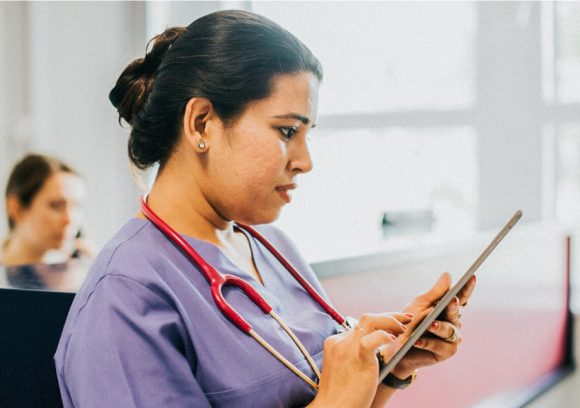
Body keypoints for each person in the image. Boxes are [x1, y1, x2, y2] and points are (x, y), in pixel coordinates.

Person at [55, 10, 476, 407]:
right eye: (287, 130)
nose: (305, 161)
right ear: (202, 122)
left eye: (307, 134)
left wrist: (388, 369)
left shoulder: (273, 248)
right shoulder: (126, 295)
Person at [1, 153, 90, 291]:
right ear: (16, 208)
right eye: (57, 205)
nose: (71, 219)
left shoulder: (80, 276)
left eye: (77, 206)